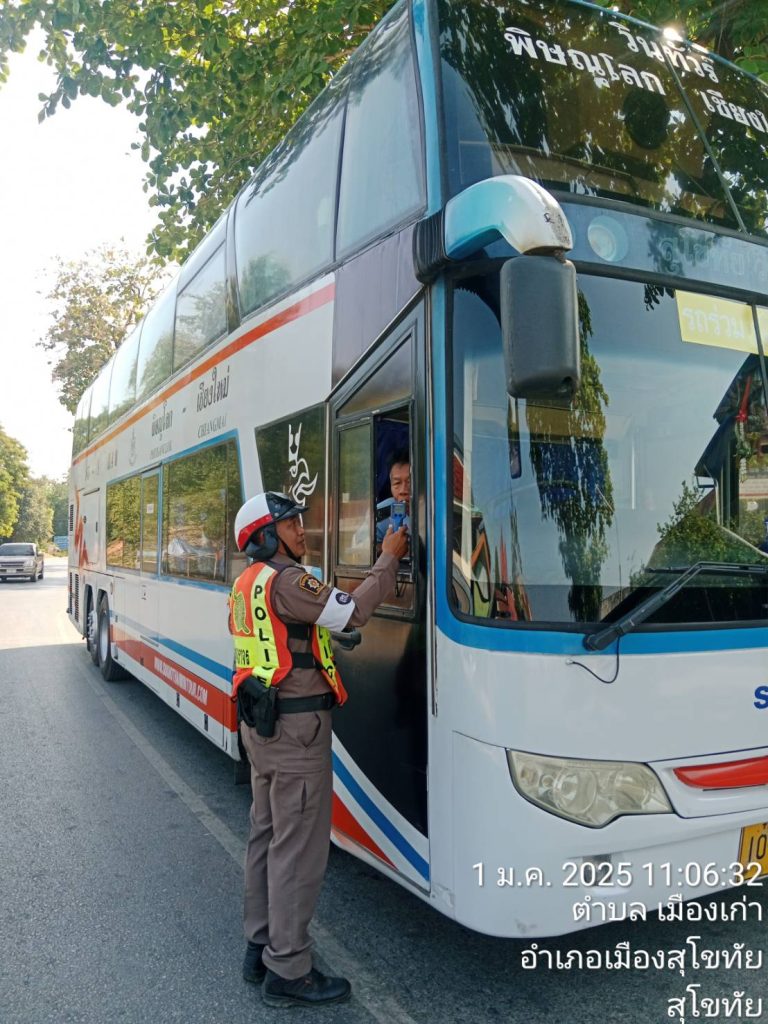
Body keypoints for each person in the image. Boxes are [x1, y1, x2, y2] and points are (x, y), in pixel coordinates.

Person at [229, 490, 409, 1008]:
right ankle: (287, 969)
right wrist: (389, 557)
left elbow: (289, 638)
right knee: (298, 849)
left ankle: (260, 945)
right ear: (267, 536)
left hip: (262, 727)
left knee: (266, 836)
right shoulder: (289, 580)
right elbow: (351, 613)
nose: (301, 529)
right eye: (290, 524)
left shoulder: (248, 582)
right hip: (297, 733)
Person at [375, 449, 411, 543]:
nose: (403, 491)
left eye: (410, 482)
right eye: (397, 483)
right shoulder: (381, 513)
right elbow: (361, 546)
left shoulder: (435, 512)